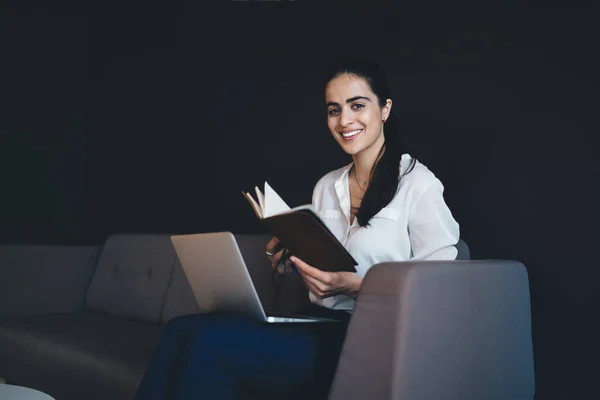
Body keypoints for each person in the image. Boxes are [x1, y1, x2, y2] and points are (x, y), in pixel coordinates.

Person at [133, 57, 460, 400]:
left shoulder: (417, 183)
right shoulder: (326, 186)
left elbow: (439, 287)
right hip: (314, 323)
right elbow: (318, 259)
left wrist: (358, 287)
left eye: (357, 105)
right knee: (182, 328)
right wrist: (291, 257)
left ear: (385, 109)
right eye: (334, 110)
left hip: (369, 339)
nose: (344, 120)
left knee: (208, 342)